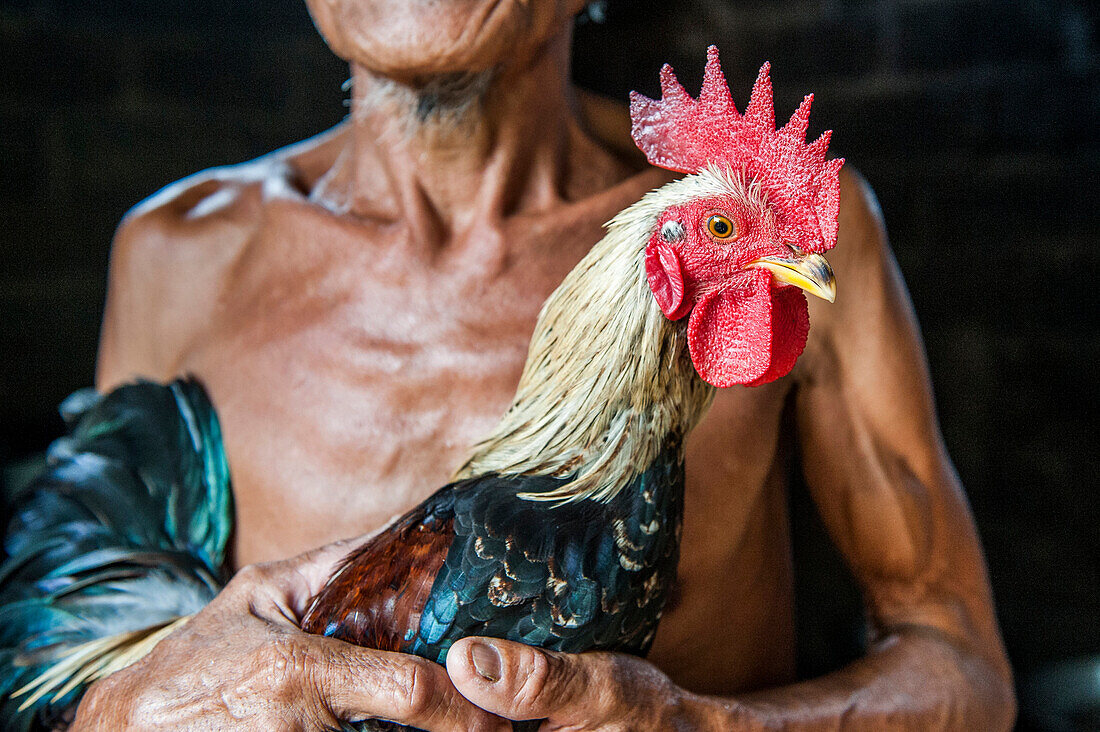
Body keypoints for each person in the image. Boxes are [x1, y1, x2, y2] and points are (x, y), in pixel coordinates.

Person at [62, 0, 1013, 728]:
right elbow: (104, 613)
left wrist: (702, 723)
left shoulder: (770, 237)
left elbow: (964, 668)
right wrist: (116, 706)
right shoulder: (175, 256)